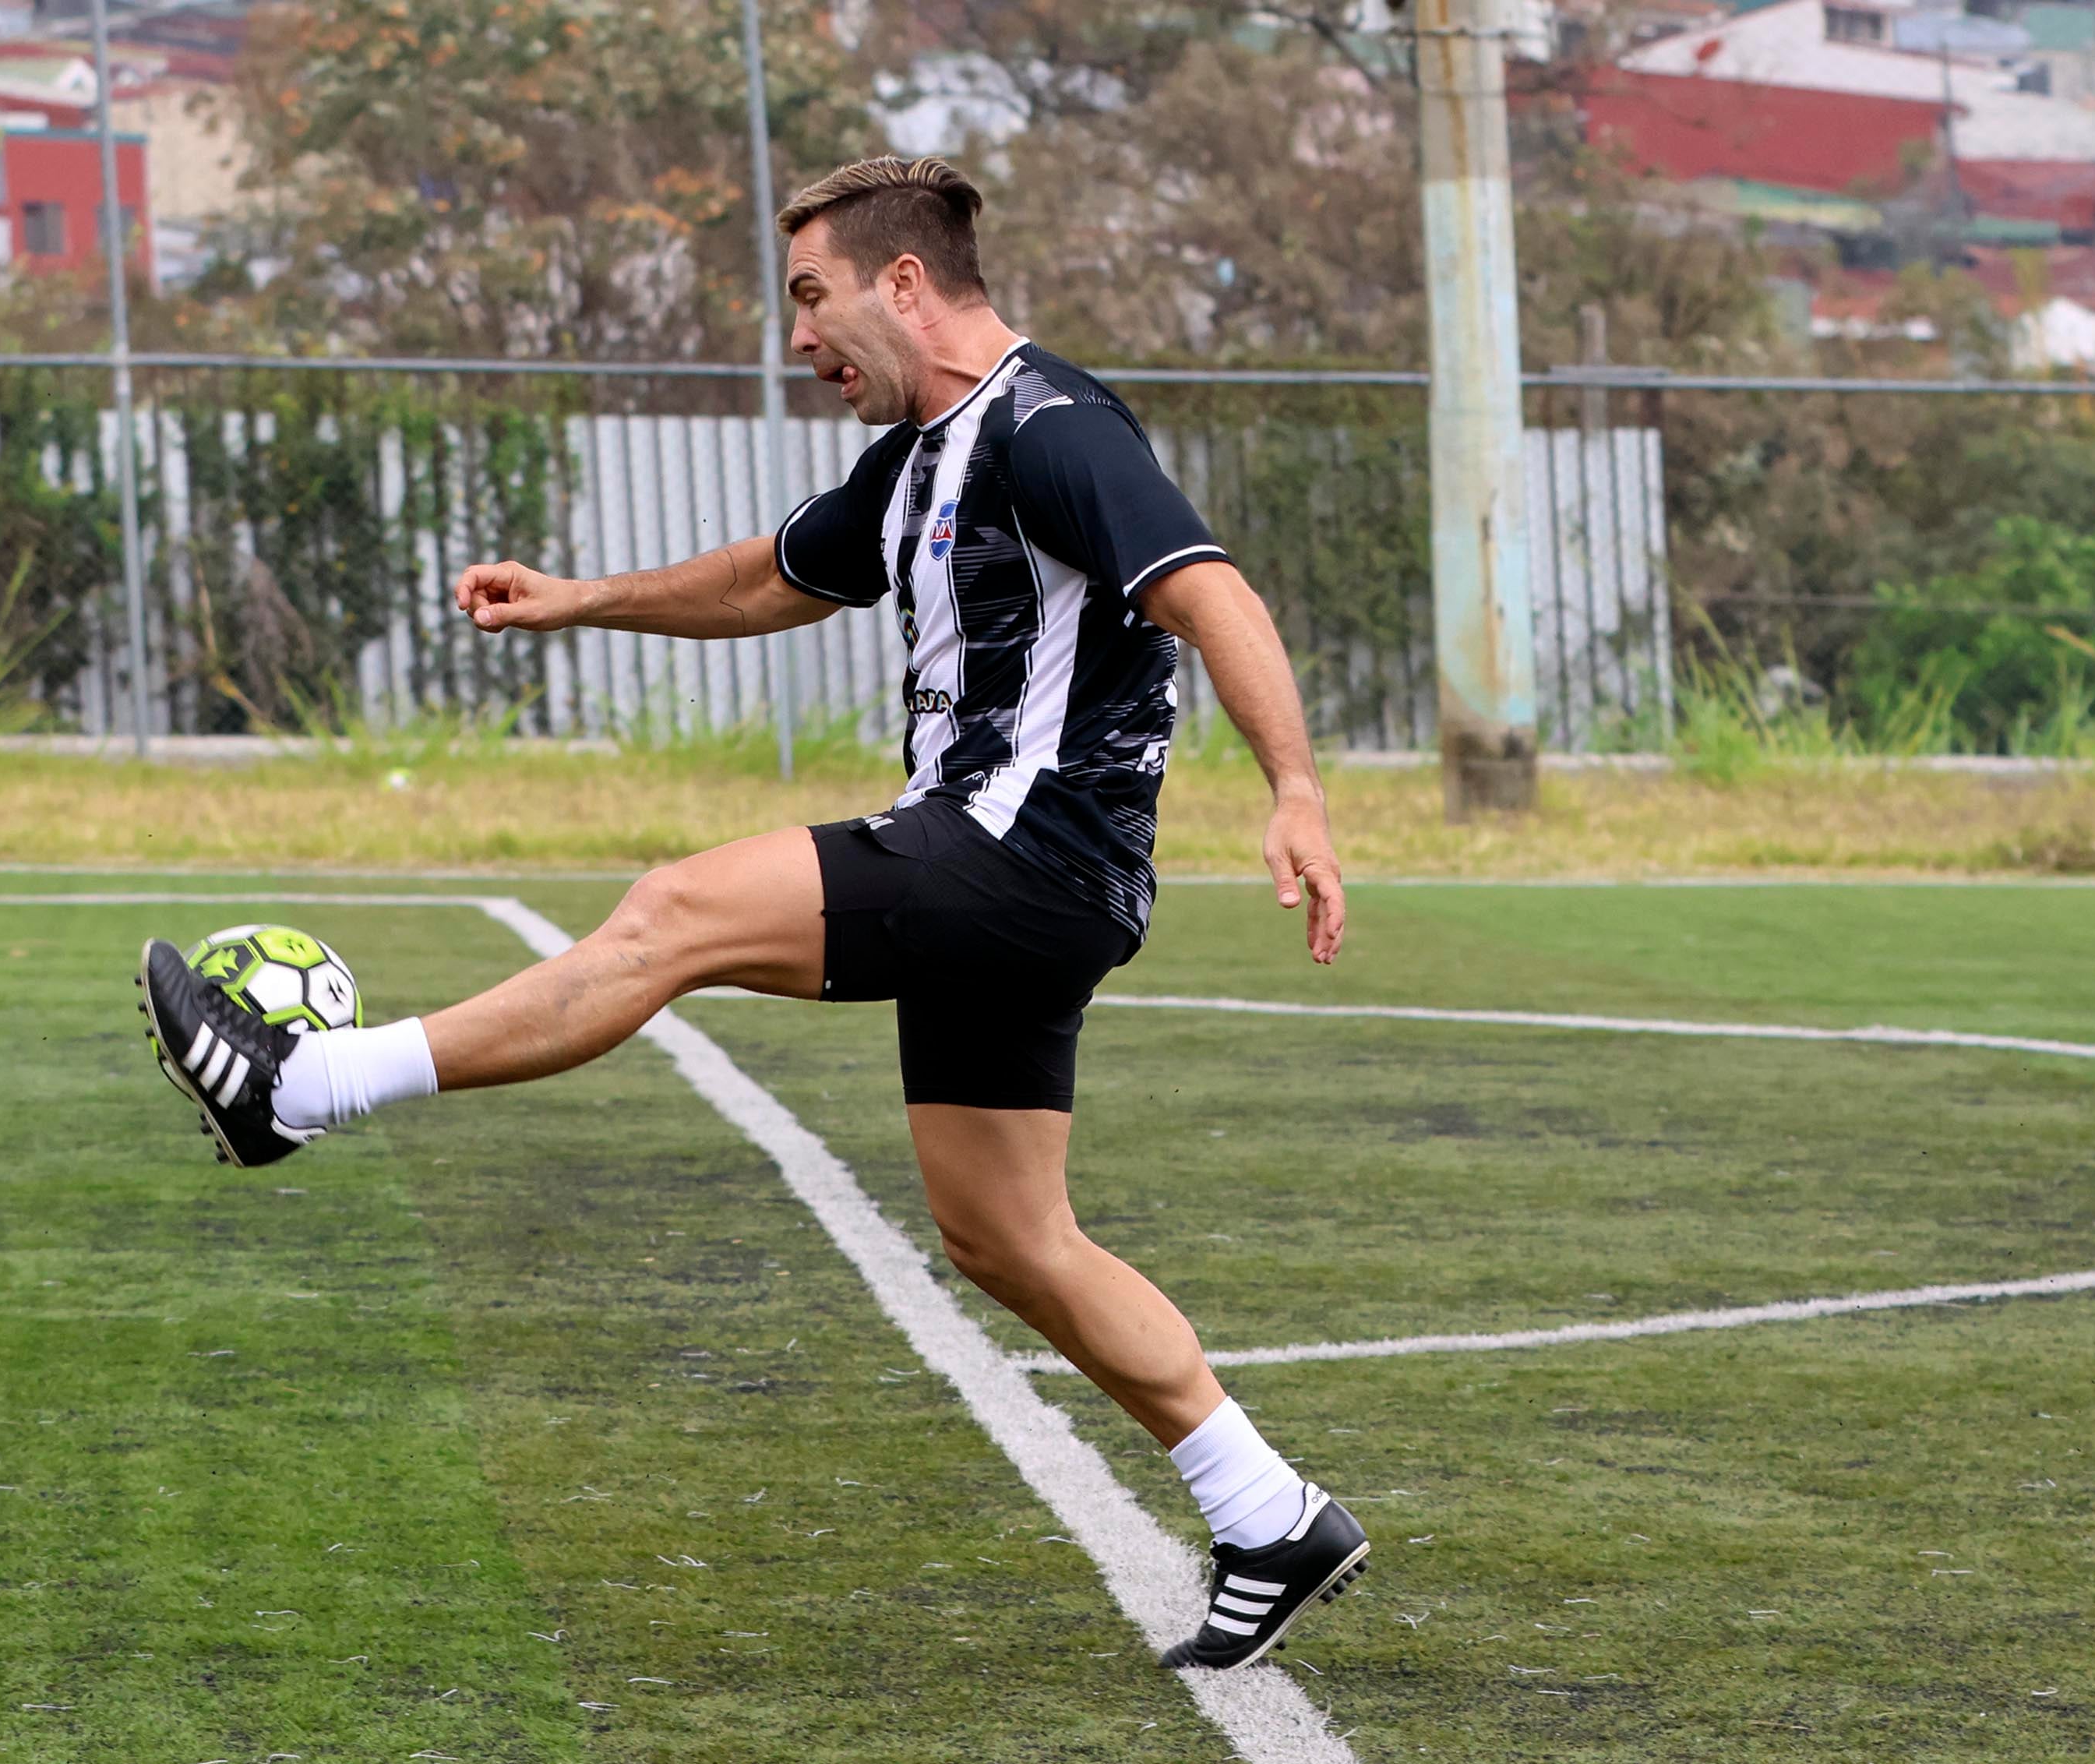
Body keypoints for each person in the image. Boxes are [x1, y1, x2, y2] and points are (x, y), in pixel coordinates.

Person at [137, 157, 1366, 1670]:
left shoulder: (1050, 431)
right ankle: (1269, 1511)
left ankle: (301, 1088)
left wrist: (1293, 791)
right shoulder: (920, 451)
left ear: (903, 283)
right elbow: (777, 577)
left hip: (1017, 854)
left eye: (810, 296)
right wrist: (576, 598)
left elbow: (1212, 592)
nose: (798, 339)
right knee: (1004, 1234)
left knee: (675, 912)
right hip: (1022, 875)